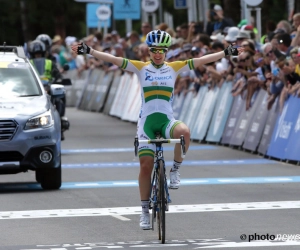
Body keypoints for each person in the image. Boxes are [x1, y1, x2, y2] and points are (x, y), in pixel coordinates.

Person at [70, 29, 242, 230]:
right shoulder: (141, 68)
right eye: (154, 50)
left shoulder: (174, 67)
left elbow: (201, 60)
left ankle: (175, 171)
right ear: (149, 52)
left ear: (167, 51)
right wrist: (89, 50)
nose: (158, 53)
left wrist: (226, 53)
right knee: (145, 166)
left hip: (167, 121)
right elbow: (114, 59)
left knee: (184, 132)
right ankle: (144, 211)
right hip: (147, 124)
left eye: (162, 50)